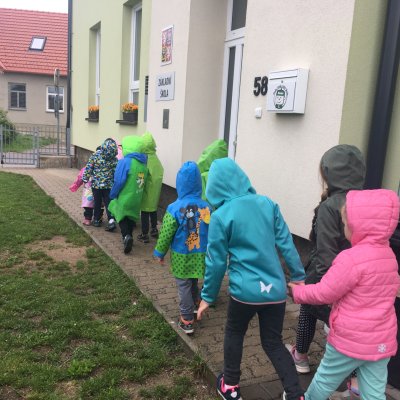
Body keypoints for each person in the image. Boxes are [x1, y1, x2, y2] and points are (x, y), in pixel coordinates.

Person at [197, 158, 305, 400]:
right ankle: (295, 393)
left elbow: (215, 262)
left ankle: (230, 386)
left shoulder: (220, 216)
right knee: (273, 342)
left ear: (213, 187)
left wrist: (207, 297)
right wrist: (298, 276)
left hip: (244, 293)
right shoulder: (268, 204)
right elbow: (286, 243)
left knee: (235, 333)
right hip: (275, 291)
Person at [289, 189, 400, 400]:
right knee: (374, 392)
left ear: (360, 227)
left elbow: (324, 292)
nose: (344, 229)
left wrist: (298, 292)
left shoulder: (350, 259)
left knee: (324, 380)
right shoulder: (389, 257)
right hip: (380, 342)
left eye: (346, 224)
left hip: (350, 340)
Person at [286, 144, 365, 387]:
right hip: (357, 276)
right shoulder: (364, 201)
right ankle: (354, 378)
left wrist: (320, 285)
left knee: (310, 312)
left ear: (328, 174)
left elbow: (325, 253)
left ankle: (301, 356)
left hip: (328, 275)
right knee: (348, 326)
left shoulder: (330, 207)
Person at [153, 161, 211, 335]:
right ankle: (195, 304)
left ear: (180, 184)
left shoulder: (174, 208)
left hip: (181, 255)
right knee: (193, 279)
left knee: (183, 284)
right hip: (201, 254)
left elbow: (166, 233)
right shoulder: (207, 207)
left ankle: (186, 319)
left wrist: (160, 252)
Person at [108, 135, 148, 254]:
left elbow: (119, 181)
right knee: (131, 216)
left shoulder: (125, 162)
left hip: (125, 195)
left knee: (120, 214)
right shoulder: (143, 164)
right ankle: (129, 237)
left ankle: (126, 236)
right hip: (137, 196)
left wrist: (113, 194)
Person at [82, 138, 118, 230]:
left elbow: (89, 168)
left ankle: (96, 220)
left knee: (97, 203)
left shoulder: (95, 155)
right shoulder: (114, 159)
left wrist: (85, 178)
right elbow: (116, 172)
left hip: (96, 185)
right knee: (109, 203)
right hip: (109, 185)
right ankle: (111, 220)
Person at [137, 132, 164, 243]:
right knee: (153, 209)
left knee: (144, 211)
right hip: (155, 190)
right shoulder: (155, 157)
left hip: (146, 189)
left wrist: (138, 186)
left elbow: (141, 174)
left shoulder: (145, 158)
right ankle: (154, 229)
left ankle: (144, 234)